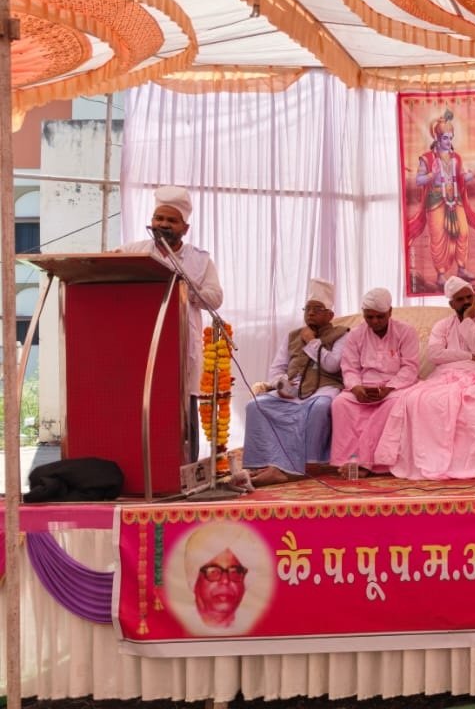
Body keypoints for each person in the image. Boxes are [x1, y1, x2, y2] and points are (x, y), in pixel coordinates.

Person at [118, 185, 224, 460]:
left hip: (180, 346)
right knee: (142, 408)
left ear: (184, 228)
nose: (163, 224)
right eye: (159, 218)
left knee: (181, 415)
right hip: (142, 342)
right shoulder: (133, 251)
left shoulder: (199, 260)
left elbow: (215, 298)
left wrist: (185, 288)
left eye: (171, 220)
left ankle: (184, 471)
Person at [377, 277, 475, 479]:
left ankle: (470, 459)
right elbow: (435, 355)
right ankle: (431, 458)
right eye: (460, 299)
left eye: (469, 297)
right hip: (445, 374)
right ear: (452, 304)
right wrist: (472, 357)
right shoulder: (442, 325)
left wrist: (467, 321)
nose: (466, 302)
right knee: (414, 398)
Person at [243, 278, 349, 486]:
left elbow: (332, 365)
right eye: (307, 309)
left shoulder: (342, 334)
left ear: (330, 315)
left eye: (317, 309)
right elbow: (277, 368)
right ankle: (265, 463)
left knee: (319, 408)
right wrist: (282, 384)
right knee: (255, 405)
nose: (310, 314)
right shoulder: (292, 336)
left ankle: (306, 464)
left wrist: (311, 342)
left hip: (324, 389)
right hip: (293, 390)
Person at [329, 288, 421, 473]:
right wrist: (356, 388)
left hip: (396, 388)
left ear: (390, 312)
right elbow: (350, 367)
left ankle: (367, 463)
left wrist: (389, 388)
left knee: (394, 405)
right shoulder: (356, 334)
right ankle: (348, 461)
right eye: (369, 317)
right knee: (341, 403)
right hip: (364, 386)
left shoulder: (406, 332)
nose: (375, 321)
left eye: (380, 317)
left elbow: (410, 367)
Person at [405, 109, 475, 292]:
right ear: (437, 138)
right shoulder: (427, 158)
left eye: (451, 138)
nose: (448, 141)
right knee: (438, 237)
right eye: (445, 138)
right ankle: (440, 275)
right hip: (436, 200)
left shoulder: (456, 158)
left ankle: (462, 269)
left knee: (463, 232)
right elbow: (418, 180)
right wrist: (432, 174)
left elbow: (463, 178)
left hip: (455, 200)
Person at [181, 522, 254, 632]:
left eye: (235, 571)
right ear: (194, 578)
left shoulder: (257, 625)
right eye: (213, 571)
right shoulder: (176, 624)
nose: (225, 580)